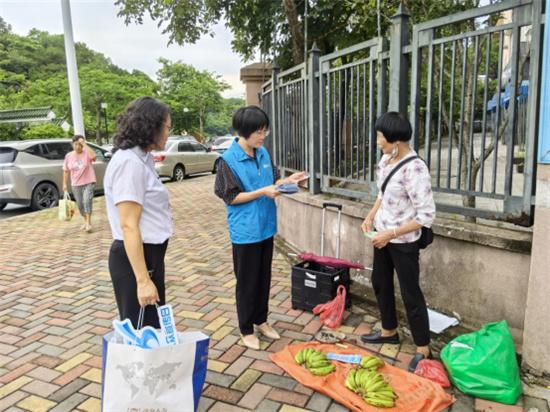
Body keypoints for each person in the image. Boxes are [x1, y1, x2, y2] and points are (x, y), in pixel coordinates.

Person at [214, 106, 306, 350]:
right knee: (247, 282)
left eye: (265, 131)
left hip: (266, 226)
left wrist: (288, 181)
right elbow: (230, 197)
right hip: (245, 231)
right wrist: (262, 192)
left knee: (264, 278)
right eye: (258, 132)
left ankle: (261, 320)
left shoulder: (263, 152)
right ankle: (246, 329)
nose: (263, 136)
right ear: (243, 131)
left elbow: (273, 180)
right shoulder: (228, 160)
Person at [360, 111, 436, 372]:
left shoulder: (415, 169)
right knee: (380, 282)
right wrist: (370, 216)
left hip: (403, 241)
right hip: (381, 235)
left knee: (410, 292)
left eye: (381, 136)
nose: (377, 141)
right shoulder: (386, 159)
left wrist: (390, 234)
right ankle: (389, 331)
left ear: (396, 140)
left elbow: (426, 215)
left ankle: (423, 348)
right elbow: (382, 194)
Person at [104, 97, 173, 328]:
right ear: (151, 126)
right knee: (142, 331)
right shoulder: (129, 163)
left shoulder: (142, 159)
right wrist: (142, 280)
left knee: (152, 328)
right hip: (137, 258)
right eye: (167, 128)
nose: (168, 134)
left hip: (149, 256)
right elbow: (129, 225)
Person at [63, 135, 97, 232]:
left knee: (87, 201)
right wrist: (64, 184)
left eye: (80, 144)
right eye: (76, 144)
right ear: (72, 144)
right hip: (76, 184)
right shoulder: (68, 156)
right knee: (80, 205)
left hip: (89, 181)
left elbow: (94, 157)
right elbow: (66, 171)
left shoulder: (87, 153)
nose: (78, 147)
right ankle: (86, 221)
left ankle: (88, 223)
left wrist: (84, 144)